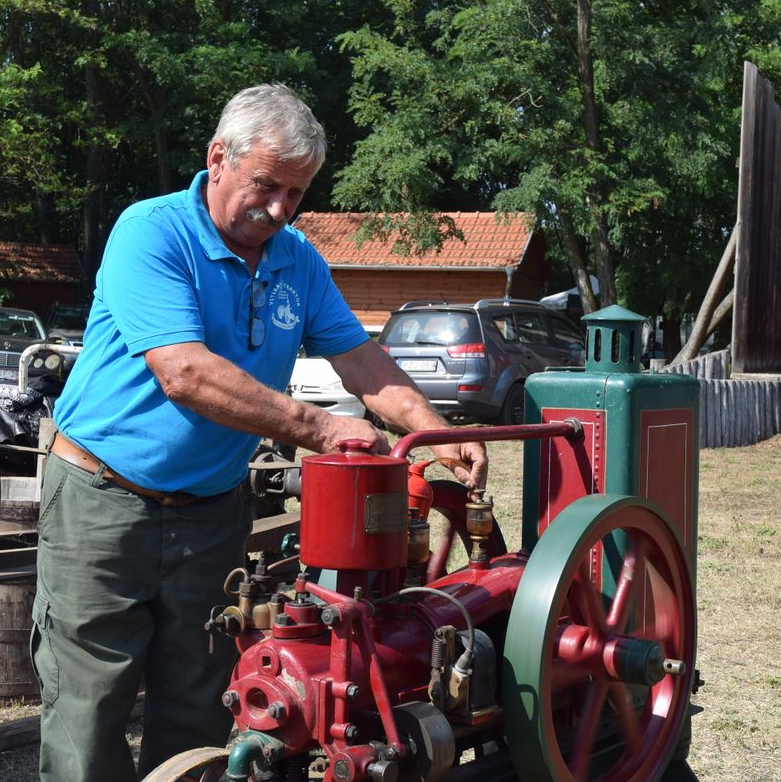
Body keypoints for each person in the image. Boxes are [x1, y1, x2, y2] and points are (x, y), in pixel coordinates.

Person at [35, 84, 488, 782]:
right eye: (266, 186)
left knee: (201, 700)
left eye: (295, 194)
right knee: (88, 706)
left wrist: (432, 428)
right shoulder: (151, 231)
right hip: (104, 500)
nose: (278, 210)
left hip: (213, 512)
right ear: (218, 158)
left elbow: (360, 359)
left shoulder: (295, 259)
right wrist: (320, 426)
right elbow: (185, 372)